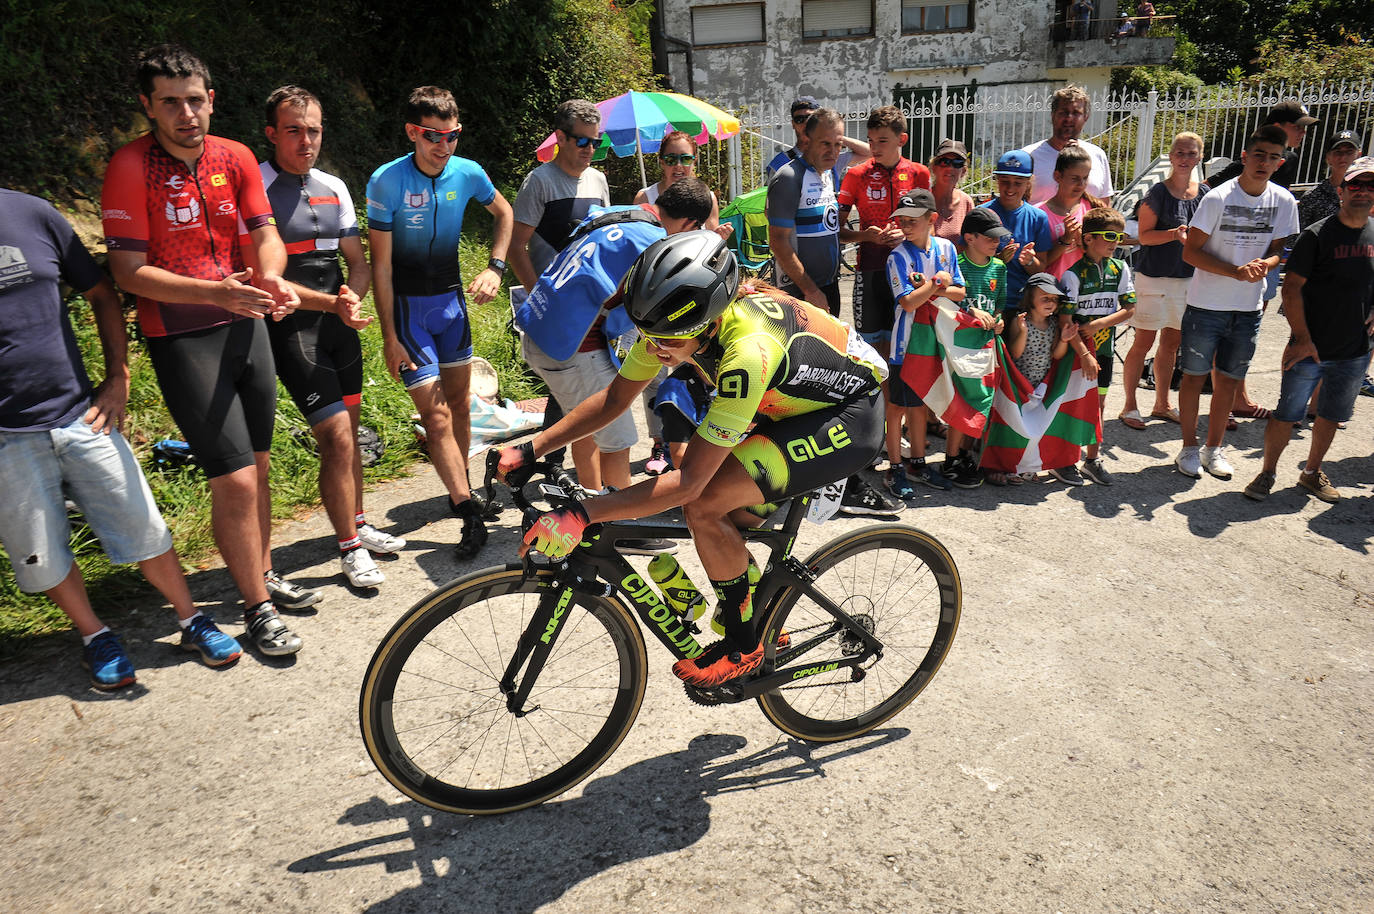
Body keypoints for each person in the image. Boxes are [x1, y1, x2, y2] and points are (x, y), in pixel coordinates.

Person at [498, 231, 888, 688]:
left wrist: (584, 512)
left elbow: (688, 483)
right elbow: (613, 399)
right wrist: (532, 447)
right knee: (724, 518)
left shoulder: (748, 352)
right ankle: (764, 620)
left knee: (703, 505)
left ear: (705, 323)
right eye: (647, 334)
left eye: (667, 340)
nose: (655, 348)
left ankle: (745, 647)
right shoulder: (672, 324)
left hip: (846, 418)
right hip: (786, 404)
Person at [101, 45, 305, 656]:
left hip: (246, 321)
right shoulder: (131, 165)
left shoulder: (236, 155)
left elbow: (265, 237)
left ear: (211, 99)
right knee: (235, 480)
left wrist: (268, 278)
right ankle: (257, 607)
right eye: (170, 102)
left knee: (260, 469)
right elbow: (128, 272)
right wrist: (215, 293)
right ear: (148, 105)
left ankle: (260, 571)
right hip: (183, 335)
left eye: (195, 99)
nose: (186, 113)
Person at [0, 188, 243, 689]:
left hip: (79, 413)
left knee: (142, 524)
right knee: (41, 552)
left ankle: (190, 619)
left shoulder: (32, 213)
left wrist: (118, 377)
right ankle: (94, 634)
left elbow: (102, 293)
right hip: (6, 436)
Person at [260, 85, 403, 590]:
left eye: (314, 130)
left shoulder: (334, 186)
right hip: (293, 327)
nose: (306, 141)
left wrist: (352, 300)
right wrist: (335, 303)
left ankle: (359, 524)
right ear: (271, 133)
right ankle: (348, 548)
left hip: (338, 324)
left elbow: (358, 264)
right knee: (336, 437)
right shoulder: (254, 186)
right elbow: (265, 276)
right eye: (294, 131)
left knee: (353, 433)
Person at [366, 86, 513, 559]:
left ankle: (463, 490)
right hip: (410, 312)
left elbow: (504, 212)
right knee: (434, 415)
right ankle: (466, 508)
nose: (445, 146)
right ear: (413, 132)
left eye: (453, 136)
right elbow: (381, 268)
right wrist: (390, 338)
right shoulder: (386, 181)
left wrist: (495, 266)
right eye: (434, 136)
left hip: (451, 305)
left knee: (461, 408)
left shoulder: (467, 172)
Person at [1243, 157, 1374, 503]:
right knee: (1287, 414)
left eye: (1370, 186)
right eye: (1356, 185)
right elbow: (1291, 289)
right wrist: (1301, 339)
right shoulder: (1317, 235)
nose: (1363, 192)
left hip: (1355, 350)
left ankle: (1311, 473)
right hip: (1310, 347)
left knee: (1331, 415)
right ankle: (1267, 471)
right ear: (1342, 191)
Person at [1175, 125, 1299, 481]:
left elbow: (1279, 251)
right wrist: (1233, 272)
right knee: (1194, 380)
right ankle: (1187, 448)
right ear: (1245, 157)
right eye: (1259, 155)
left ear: (1280, 162)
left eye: (1273, 157)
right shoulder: (1217, 198)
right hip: (1206, 305)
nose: (1265, 162)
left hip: (1248, 309)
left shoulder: (1284, 200)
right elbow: (1191, 251)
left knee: (1228, 382)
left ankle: (1213, 449)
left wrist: (1266, 264)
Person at [510, 99, 615, 491]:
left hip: (592, 310)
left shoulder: (598, 181)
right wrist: (539, 293)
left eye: (596, 143)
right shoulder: (539, 182)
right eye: (581, 141)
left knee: (594, 403)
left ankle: (571, 479)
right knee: (584, 405)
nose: (589, 149)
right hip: (555, 311)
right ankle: (589, 499)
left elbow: (604, 240)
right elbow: (515, 245)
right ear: (560, 138)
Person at [633, 132, 729, 475]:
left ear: (695, 161)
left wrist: (719, 240)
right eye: (671, 158)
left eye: (685, 158)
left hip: (693, 298)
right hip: (657, 295)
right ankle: (660, 442)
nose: (678, 166)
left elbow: (712, 242)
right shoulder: (647, 197)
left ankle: (694, 437)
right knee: (655, 371)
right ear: (660, 161)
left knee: (696, 367)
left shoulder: (706, 197)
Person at [1120, 132, 1209, 431]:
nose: (1185, 159)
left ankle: (1162, 404)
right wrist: (1173, 234)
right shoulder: (1157, 193)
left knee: (1172, 343)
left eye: (1191, 154)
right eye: (1180, 153)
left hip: (1188, 279)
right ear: (1171, 157)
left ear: (1200, 157)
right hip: (1154, 278)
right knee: (1143, 342)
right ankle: (1130, 405)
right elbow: (1144, 237)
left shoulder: (1206, 194)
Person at [884, 190, 967, 493]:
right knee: (896, 407)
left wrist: (935, 289)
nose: (905, 225)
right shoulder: (897, 256)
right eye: (902, 220)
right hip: (906, 344)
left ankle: (916, 464)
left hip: (935, 342)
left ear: (932, 219)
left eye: (912, 220)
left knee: (918, 406)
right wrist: (937, 283)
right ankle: (894, 469)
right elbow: (907, 302)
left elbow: (960, 292)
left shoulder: (946, 248)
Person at [837, 106, 930, 360]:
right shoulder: (856, 175)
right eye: (870, 141)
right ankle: (876, 400)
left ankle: (895, 400)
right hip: (870, 270)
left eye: (882, 141)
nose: (874, 147)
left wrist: (906, 235)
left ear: (902, 140)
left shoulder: (919, 173)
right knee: (868, 350)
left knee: (902, 346)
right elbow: (837, 231)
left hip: (908, 272)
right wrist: (866, 236)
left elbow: (928, 225)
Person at [1059, 207, 1137, 485]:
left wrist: (1097, 325)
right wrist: (1083, 352)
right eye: (1108, 235)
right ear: (1088, 238)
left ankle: (1092, 459)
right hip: (1075, 353)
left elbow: (1130, 310)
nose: (1114, 241)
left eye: (1119, 236)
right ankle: (1063, 460)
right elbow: (1065, 322)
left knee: (1099, 406)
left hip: (1102, 351)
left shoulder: (1120, 268)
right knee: (1070, 404)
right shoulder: (1073, 274)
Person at [767, 106, 846, 316]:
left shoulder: (829, 174)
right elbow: (777, 240)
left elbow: (830, 229)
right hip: (800, 292)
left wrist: (866, 236)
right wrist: (810, 290)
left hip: (829, 286)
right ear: (807, 140)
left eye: (838, 144)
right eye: (825, 144)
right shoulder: (789, 177)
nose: (833, 151)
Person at [999, 275, 1073, 485]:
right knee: (1016, 425)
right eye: (1045, 298)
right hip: (1018, 384)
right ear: (1030, 297)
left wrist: (1065, 340)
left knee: (1036, 426)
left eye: (1054, 299)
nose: (1051, 303)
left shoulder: (1053, 325)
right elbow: (1015, 353)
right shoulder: (1019, 321)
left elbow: (1056, 355)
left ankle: (1027, 463)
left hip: (1040, 385)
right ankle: (1010, 464)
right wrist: (1022, 332)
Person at [957, 209, 1012, 484]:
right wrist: (970, 313)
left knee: (984, 401)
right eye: (990, 238)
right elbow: (948, 305)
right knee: (963, 400)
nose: (996, 243)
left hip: (988, 344)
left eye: (998, 238)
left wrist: (999, 322)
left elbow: (999, 304)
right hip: (961, 346)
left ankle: (972, 452)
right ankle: (956, 456)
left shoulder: (999, 267)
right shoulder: (958, 265)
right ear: (969, 237)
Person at [979, 149, 1050, 307]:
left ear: (1028, 183)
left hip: (1021, 305)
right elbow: (965, 261)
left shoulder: (1038, 218)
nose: (1010, 188)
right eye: (1004, 181)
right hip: (985, 302)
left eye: (1018, 183)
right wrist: (997, 261)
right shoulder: (981, 214)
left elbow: (1041, 270)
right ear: (997, 180)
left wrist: (1030, 261)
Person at [1022, 86, 1114, 205]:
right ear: (1053, 115)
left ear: (1086, 117)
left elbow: (1104, 204)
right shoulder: (1028, 156)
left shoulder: (1097, 155)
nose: (1069, 118)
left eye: (1076, 113)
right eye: (1063, 112)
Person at [763, 95, 871, 183]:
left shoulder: (830, 157)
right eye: (799, 119)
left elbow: (870, 152)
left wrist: (835, 136)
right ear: (793, 124)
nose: (805, 123)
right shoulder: (779, 163)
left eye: (810, 118)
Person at [1036, 145, 1093, 278]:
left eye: (1085, 178)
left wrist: (1082, 242)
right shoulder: (1039, 214)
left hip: (1085, 291)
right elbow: (1041, 263)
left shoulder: (1092, 209)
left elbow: (1100, 255)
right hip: (1053, 290)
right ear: (1057, 176)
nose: (1081, 184)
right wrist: (1065, 240)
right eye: (1074, 178)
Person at [1299, 129, 1362, 231]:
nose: (1343, 157)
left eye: (1349, 152)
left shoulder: (1367, 193)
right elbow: (1296, 240)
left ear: (1359, 155)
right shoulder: (1312, 196)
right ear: (1328, 157)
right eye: (1338, 152)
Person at [929, 139, 976, 250]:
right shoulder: (923, 200)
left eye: (957, 163)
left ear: (963, 171)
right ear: (934, 167)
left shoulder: (966, 202)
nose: (950, 168)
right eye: (944, 162)